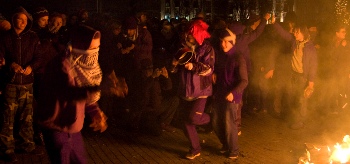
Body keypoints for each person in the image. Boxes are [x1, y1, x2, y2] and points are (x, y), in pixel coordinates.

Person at [36, 25, 108, 164]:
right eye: (91, 49)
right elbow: (69, 93)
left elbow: (85, 93)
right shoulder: (62, 65)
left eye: (97, 48)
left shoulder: (82, 66)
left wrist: (95, 112)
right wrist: (102, 88)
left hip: (73, 127)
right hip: (56, 125)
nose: (95, 52)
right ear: (80, 47)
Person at [0, 6, 45, 162]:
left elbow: (39, 58)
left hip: (27, 84)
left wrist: (31, 67)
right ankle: (7, 148)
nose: (23, 22)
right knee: (8, 116)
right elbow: (0, 56)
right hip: (11, 84)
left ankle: (27, 144)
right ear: (13, 20)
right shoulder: (5, 37)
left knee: (27, 116)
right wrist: (10, 64)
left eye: (25, 20)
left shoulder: (33, 38)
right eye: (20, 19)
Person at [172, 19, 214, 160]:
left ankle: (211, 119)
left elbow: (209, 68)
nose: (188, 37)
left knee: (193, 118)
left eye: (191, 35)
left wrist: (193, 66)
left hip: (201, 90)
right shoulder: (182, 46)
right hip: (186, 89)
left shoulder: (207, 48)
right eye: (188, 34)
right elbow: (176, 64)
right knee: (186, 122)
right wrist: (173, 64)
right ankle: (195, 149)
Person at [271, 16, 318, 129]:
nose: (295, 34)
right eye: (295, 32)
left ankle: (301, 121)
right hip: (293, 75)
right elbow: (284, 34)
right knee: (292, 97)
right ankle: (295, 118)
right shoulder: (294, 41)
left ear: (303, 33)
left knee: (301, 99)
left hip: (303, 77)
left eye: (297, 32)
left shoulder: (310, 48)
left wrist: (311, 83)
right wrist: (274, 23)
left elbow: (313, 66)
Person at [212, 28, 248, 159]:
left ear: (233, 42)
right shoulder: (221, 56)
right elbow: (219, 70)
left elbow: (244, 81)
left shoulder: (238, 57)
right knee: (215, 121)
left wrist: (234, 92)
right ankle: (226, 145)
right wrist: (215, 73)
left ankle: (233, 150)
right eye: (222, 41)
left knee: (229, 123)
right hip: (220, 94)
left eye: (227, 42)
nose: (223, 44)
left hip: (232, 96)